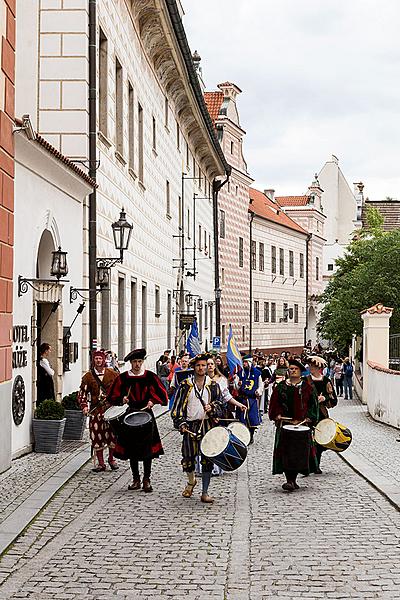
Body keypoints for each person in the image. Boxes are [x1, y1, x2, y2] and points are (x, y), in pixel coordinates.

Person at [107, 348, 168, 492]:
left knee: (147, 450)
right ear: (130, 363)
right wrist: (122, 399)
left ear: (143, 362)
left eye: (139, 361)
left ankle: (147, 479)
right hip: (129, 415)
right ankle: (136, 479)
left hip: (146, 415)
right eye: (134, 362)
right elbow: (111, 396)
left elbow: (162, 394)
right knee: (132, 449)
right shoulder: (123, 378)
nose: (137, 364)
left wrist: (153, 401)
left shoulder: (150, 377)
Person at [171, 353, 225, 503]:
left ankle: (205, 492)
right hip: (190, 425)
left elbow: (221, 404)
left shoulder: (213, 385)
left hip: (207, 424)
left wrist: (212, 407)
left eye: (204, 365)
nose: (201, 368)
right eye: (198, 365)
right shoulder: (185, 385)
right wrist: (180, 422)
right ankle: (191, 480)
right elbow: (177, 406)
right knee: (188, 458)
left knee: (207, 459)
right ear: (193, 367)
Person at [268, 359, 319, 492]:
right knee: (286, 452)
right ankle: (289, 480)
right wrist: (277, 414)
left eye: (295, 369)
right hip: (286, 425)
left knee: (298, 453)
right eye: (291, 369)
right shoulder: (281, 387)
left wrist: (310, 417)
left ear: (300, 372)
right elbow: (274, 404)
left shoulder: (307, 388)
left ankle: (293, 479)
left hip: (302, 426)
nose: (293, 371)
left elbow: (314, 406)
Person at [78, 350, 119, 472]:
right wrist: (84, 406)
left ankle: (111, 459)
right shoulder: (88, 377)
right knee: (97, 436)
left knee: (113, 435)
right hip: (96, 410)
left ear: (104, 360)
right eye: (96, 359)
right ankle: (101, 463)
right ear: (93, 360)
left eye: (100, 359)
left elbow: (120, 389)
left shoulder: (113, 374)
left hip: (111, 409)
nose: (98, 361)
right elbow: (82, 393)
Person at [308, 355, 338, 473]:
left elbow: (333, 399)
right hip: (307, 412)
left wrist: (324, 398)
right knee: (308, 439)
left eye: (314, 366)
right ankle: (309, 464)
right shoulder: (305, 380)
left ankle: (316, 464)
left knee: (319, 440)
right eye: (310, 366)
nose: (312, 368)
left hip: (321, 413)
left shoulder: (326, 381)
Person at [234, 354, 263, 443]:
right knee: (242, 419)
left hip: (252, 399)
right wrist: (237, 384)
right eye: (243, 362)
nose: (244, 364)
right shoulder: (240, 373)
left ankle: (251, 435)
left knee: (252, 419)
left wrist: (258, 391)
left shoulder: (257, 373)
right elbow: (236, 387)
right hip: (242, 399)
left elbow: (260, 385)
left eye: (246, 362)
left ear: (249, 362)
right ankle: (243, 436)